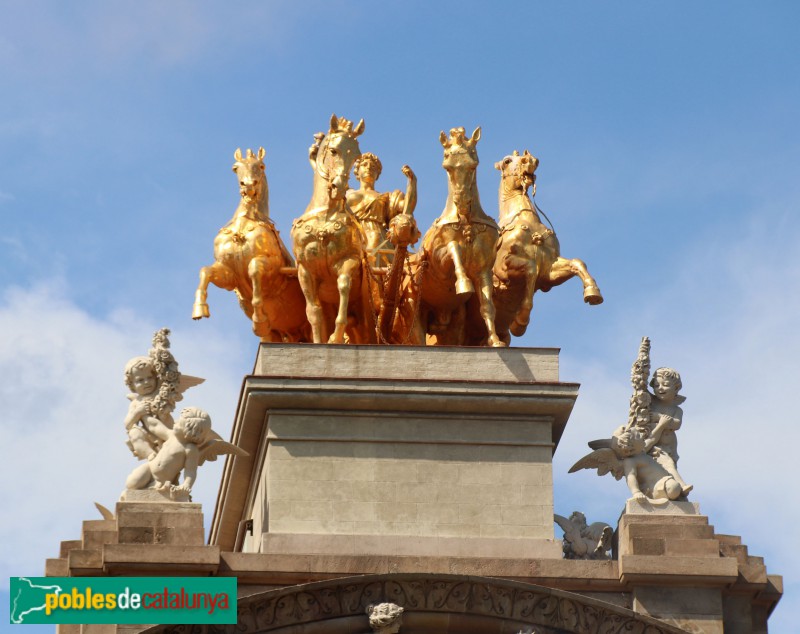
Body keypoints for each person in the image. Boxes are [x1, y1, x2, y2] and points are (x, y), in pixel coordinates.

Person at [125, 407, 211, 496]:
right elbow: (155, 426)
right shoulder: (171, 435)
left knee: (147, 492)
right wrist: (143, 416)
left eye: (179, 423)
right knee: (131, 484)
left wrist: (186, 484)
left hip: (162, 480)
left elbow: (190, 471)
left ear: (188, 430)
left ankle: (153, 486)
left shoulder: (190, 449)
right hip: (150, 467)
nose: (176, 421)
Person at [346, 153, 417, 262]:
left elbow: (407, 208)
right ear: (357, 171)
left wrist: (412, 182)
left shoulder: (386, 197)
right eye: (364, 165)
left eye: (373, 166)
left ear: (377, 174)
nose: (369, 167)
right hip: (351, 235)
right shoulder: (346, 193)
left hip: (378, 237)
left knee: (374, 242)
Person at [644, 367, 692, 495]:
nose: (660, 388)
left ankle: (676, 488)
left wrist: (660, 418)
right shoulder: (651, 401)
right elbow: (640, 391)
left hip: (669, 446)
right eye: (656, 385)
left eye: (665, 385)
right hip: (653, 443)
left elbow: (677, 424)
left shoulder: (676, 409)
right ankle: (681, 486)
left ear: (676, 388)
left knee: (670, 464)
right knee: (667, 464)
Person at [123, 356, 174, 461]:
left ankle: (172, 438)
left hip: (167, 429)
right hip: (150, 438)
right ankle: (150, 455)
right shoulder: (136, 403)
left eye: (150, 377)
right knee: (133, 432)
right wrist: (137, 412)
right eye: (140, 380)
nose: (146, 382)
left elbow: (170, 380)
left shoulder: (160, 393)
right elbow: (127, 424)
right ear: (132, 385)